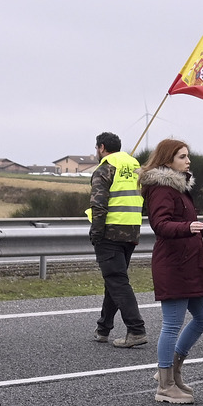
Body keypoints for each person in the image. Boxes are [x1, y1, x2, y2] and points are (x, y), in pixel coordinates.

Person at [140, 138, 203, 404]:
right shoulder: (161, 189)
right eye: (182, 156)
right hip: (173, 265)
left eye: (188, 156)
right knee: (171, 325)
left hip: (189, 265)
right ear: (167, 160)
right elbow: (161, 225)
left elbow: (196, 225)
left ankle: (173, 369)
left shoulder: (180, 189)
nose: (188, 160)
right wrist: (185, 228)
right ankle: (165, 385)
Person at [88, 131, 147, 348]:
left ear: (102, 147)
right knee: (114, 279)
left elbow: (99, 204)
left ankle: (136, 329)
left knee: (117, 281)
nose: (96, 152)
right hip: (131, 231)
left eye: (96, 148)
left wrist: (96, 232)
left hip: (110, 232)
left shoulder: (105, 168)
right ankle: (104, 328)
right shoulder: (134, 165)